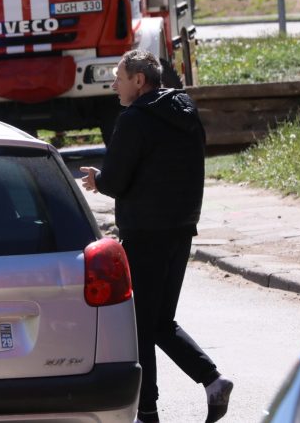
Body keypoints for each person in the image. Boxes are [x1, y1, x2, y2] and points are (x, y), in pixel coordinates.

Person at [80, 49, 232, 423]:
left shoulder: (134, 119)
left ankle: (148, 411)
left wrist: (98, 180)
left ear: (139, 81)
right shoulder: (184, 108)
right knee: (160, 320)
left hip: (145, 233)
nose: (113, 84)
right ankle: (213, 380)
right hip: (182, 228)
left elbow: (116, 180)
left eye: (118, 77)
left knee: (141, 326)